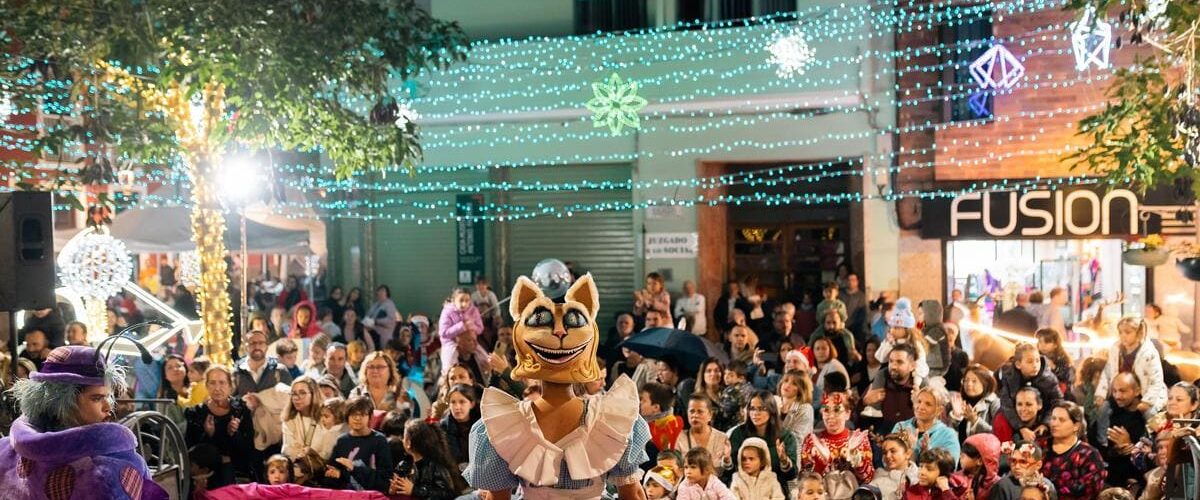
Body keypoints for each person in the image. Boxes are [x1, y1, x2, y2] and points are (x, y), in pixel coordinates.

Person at [464, 273, 650, 498]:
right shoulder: (614, 420)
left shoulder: (501, 425)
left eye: (573, 322)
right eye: (543, 322)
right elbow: (633, 495)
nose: (560, 332)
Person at [0, 344, 169, 499]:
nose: (108, 406)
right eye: (96, 398)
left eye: (109, 396)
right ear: (61, 401)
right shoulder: (105, 474)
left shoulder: (5, 450)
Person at [184, 365, 254, 488]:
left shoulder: (241, 410)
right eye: (212, 383)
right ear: (206, 386)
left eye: (222, 383)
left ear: (230, 386)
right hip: (206, 472)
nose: (217, 388)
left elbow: (248, 448)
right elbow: (191, 450)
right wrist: (209, 433)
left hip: (237, 469)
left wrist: (234, 434)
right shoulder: (196, 413)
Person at [800, 389, 873, 498]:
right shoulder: (812, 440)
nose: (831, 416)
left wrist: (855, 458)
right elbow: (804, 480)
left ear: (848, 413)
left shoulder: (858, 439)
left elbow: (868, 479)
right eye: (826, 410)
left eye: (837, 410)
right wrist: (820, 464)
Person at [1095, 317, 1167, 416]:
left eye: (1127, 333)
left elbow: (1156, 379)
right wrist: (1101, 394)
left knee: (1148, 415)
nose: (1123, 336)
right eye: (1120, 333)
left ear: (1139, 333)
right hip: (1120, 394)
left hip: (1144, 395)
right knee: (1104, 411)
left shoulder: (1149, 352)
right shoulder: (1115, 349)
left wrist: (1147, 402)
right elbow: (1107, 373)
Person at [326, 395, 392, 493]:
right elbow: (334, 472)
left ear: (370, 417)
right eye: (353, 414)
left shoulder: (379, 440)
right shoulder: (342, 441)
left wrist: (355, 468)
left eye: (362, 414)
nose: (357, 418)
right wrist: (335, 475)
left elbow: (385, 481)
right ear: (347, 417)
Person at [1093, 373, 1148, 490]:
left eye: (1122, 391)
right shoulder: (1109, 413)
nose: (1117, 396)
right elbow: (1096, 447)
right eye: (1114, 391)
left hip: (1139, 483)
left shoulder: (1146, 417)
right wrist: (1114, 451)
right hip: (1113, 481)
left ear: (1137, 391)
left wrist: (1131, 447)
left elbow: (1153, 457)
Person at [390, 419, 470, 500]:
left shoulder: (435, 466)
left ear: (408, 443)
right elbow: (397, 487)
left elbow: (448, 494)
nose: (402, 440)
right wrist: (393, 489)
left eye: (403, 437)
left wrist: (415, 490)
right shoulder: (403, 465)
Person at [1041, 402, 1106, 500]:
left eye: (1061, 420)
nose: (1054, 423)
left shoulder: (1089, 455)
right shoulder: (1040, 446)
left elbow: (1091, 488)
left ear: (1076, 426)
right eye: (1053, 418)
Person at [997, 343, 1062, 431]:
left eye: (1037, 360)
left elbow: (1057, 402)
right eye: (1030, 361)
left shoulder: (1049, 379)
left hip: (1042, 418)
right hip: (1015, 419)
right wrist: (1020, 427)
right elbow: (1006, 404)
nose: (1035, 365)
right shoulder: (1009, 377)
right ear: (1018, 364)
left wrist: (1045, 424)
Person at [860, 342, 921, 434]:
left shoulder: (920, 383)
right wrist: (864, 402)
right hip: (885, 435)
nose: (893, 366)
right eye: (891, 361)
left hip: (912, 434)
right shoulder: (881, 378)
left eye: (899, 362)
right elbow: (858, 416)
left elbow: (931, 420)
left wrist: (918, 403)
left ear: (912, 366)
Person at [892, 385, 960, 466]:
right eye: (919, 401)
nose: (920, 407)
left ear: (939, 410)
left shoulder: (948, 435)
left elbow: (949, 467)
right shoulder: (900, 427)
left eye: (928, 404)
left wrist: (927, 453)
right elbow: (889, 459)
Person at [438, 286, 486, 374]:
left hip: (471, 341)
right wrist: (462, 326)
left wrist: (471, 326)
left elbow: (480, 329)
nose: (464, 304)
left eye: (467, 300)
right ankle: (448, 379)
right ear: (454, 300)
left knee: (484, 358)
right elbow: (443, 333)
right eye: (461, 300)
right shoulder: (447, 311)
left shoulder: (474, 310)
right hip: (451, 343)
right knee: (449, 363)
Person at [990, 441, 1058, 500]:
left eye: (1023, 462)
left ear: (1038, 465)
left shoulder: (1047, 485)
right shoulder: (1003, 485)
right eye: (1013, 461)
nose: (1017, 467)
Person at [675, 394, 731, 466]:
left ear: (710, 415)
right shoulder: (679, 438)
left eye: (700, 412)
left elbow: (726, 471)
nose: (695, 415)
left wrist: (726, 460)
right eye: (692, 411)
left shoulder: (721, 438)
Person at [949, 363, 1001, 438]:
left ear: (985, 383)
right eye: (966, 380)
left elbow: (998, 434)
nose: (969, 384)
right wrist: (956, 417)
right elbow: (948, 435)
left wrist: (975, 421)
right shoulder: (958, 401)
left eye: (974, 381)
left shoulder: (994, 403)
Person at [438, 384, 479, 470]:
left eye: (462, 402)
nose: (457, 407)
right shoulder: (442, 427)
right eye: (453, 402)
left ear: (471, 404)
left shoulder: (481, 426)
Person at [281, 376, 321, 460]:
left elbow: (325, 451)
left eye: (302, 393)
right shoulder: (289, 419)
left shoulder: (325, 418)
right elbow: (287, 450)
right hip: (297, 465)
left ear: (313, 394)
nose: (296, 398)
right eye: (293, 394)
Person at [641, 382, 685, 459]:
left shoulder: (673, 425)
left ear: (656, 407)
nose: (640, 403)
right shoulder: (648, 422)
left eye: (644, 401)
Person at [904, 448, 968, 500]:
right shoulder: (911, 492)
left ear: (943, 474)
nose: (921, 472)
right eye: (920, 467)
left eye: (929, 469)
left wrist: (946, 491)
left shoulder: (959, 490)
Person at [870, 433, 918, 500]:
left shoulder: (918, 478)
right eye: (885, 452)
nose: (888, 456)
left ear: (908, 454)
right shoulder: (879, 476)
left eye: (893, 451)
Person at [955, 433, 1001, 500]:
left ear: (979, 461)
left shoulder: (996, 485)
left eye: (963, 456)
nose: (960, 457)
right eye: (960, 454)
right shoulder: (957, 478)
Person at [776, 370, 815, 446]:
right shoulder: (774, 402)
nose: (787, 385)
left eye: (794, 384)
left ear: (801, 389)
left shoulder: (805, 409)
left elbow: (796, 440)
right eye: (786, 381)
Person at [1035, 329, 1074, 396]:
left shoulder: (1064, 360)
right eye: (1040, 341)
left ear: (1056, 344)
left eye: (1047, 342)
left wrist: (1054, 367)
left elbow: (1068, 377)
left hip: (1061, 395)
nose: (1043, 345)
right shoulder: (1035, 357)